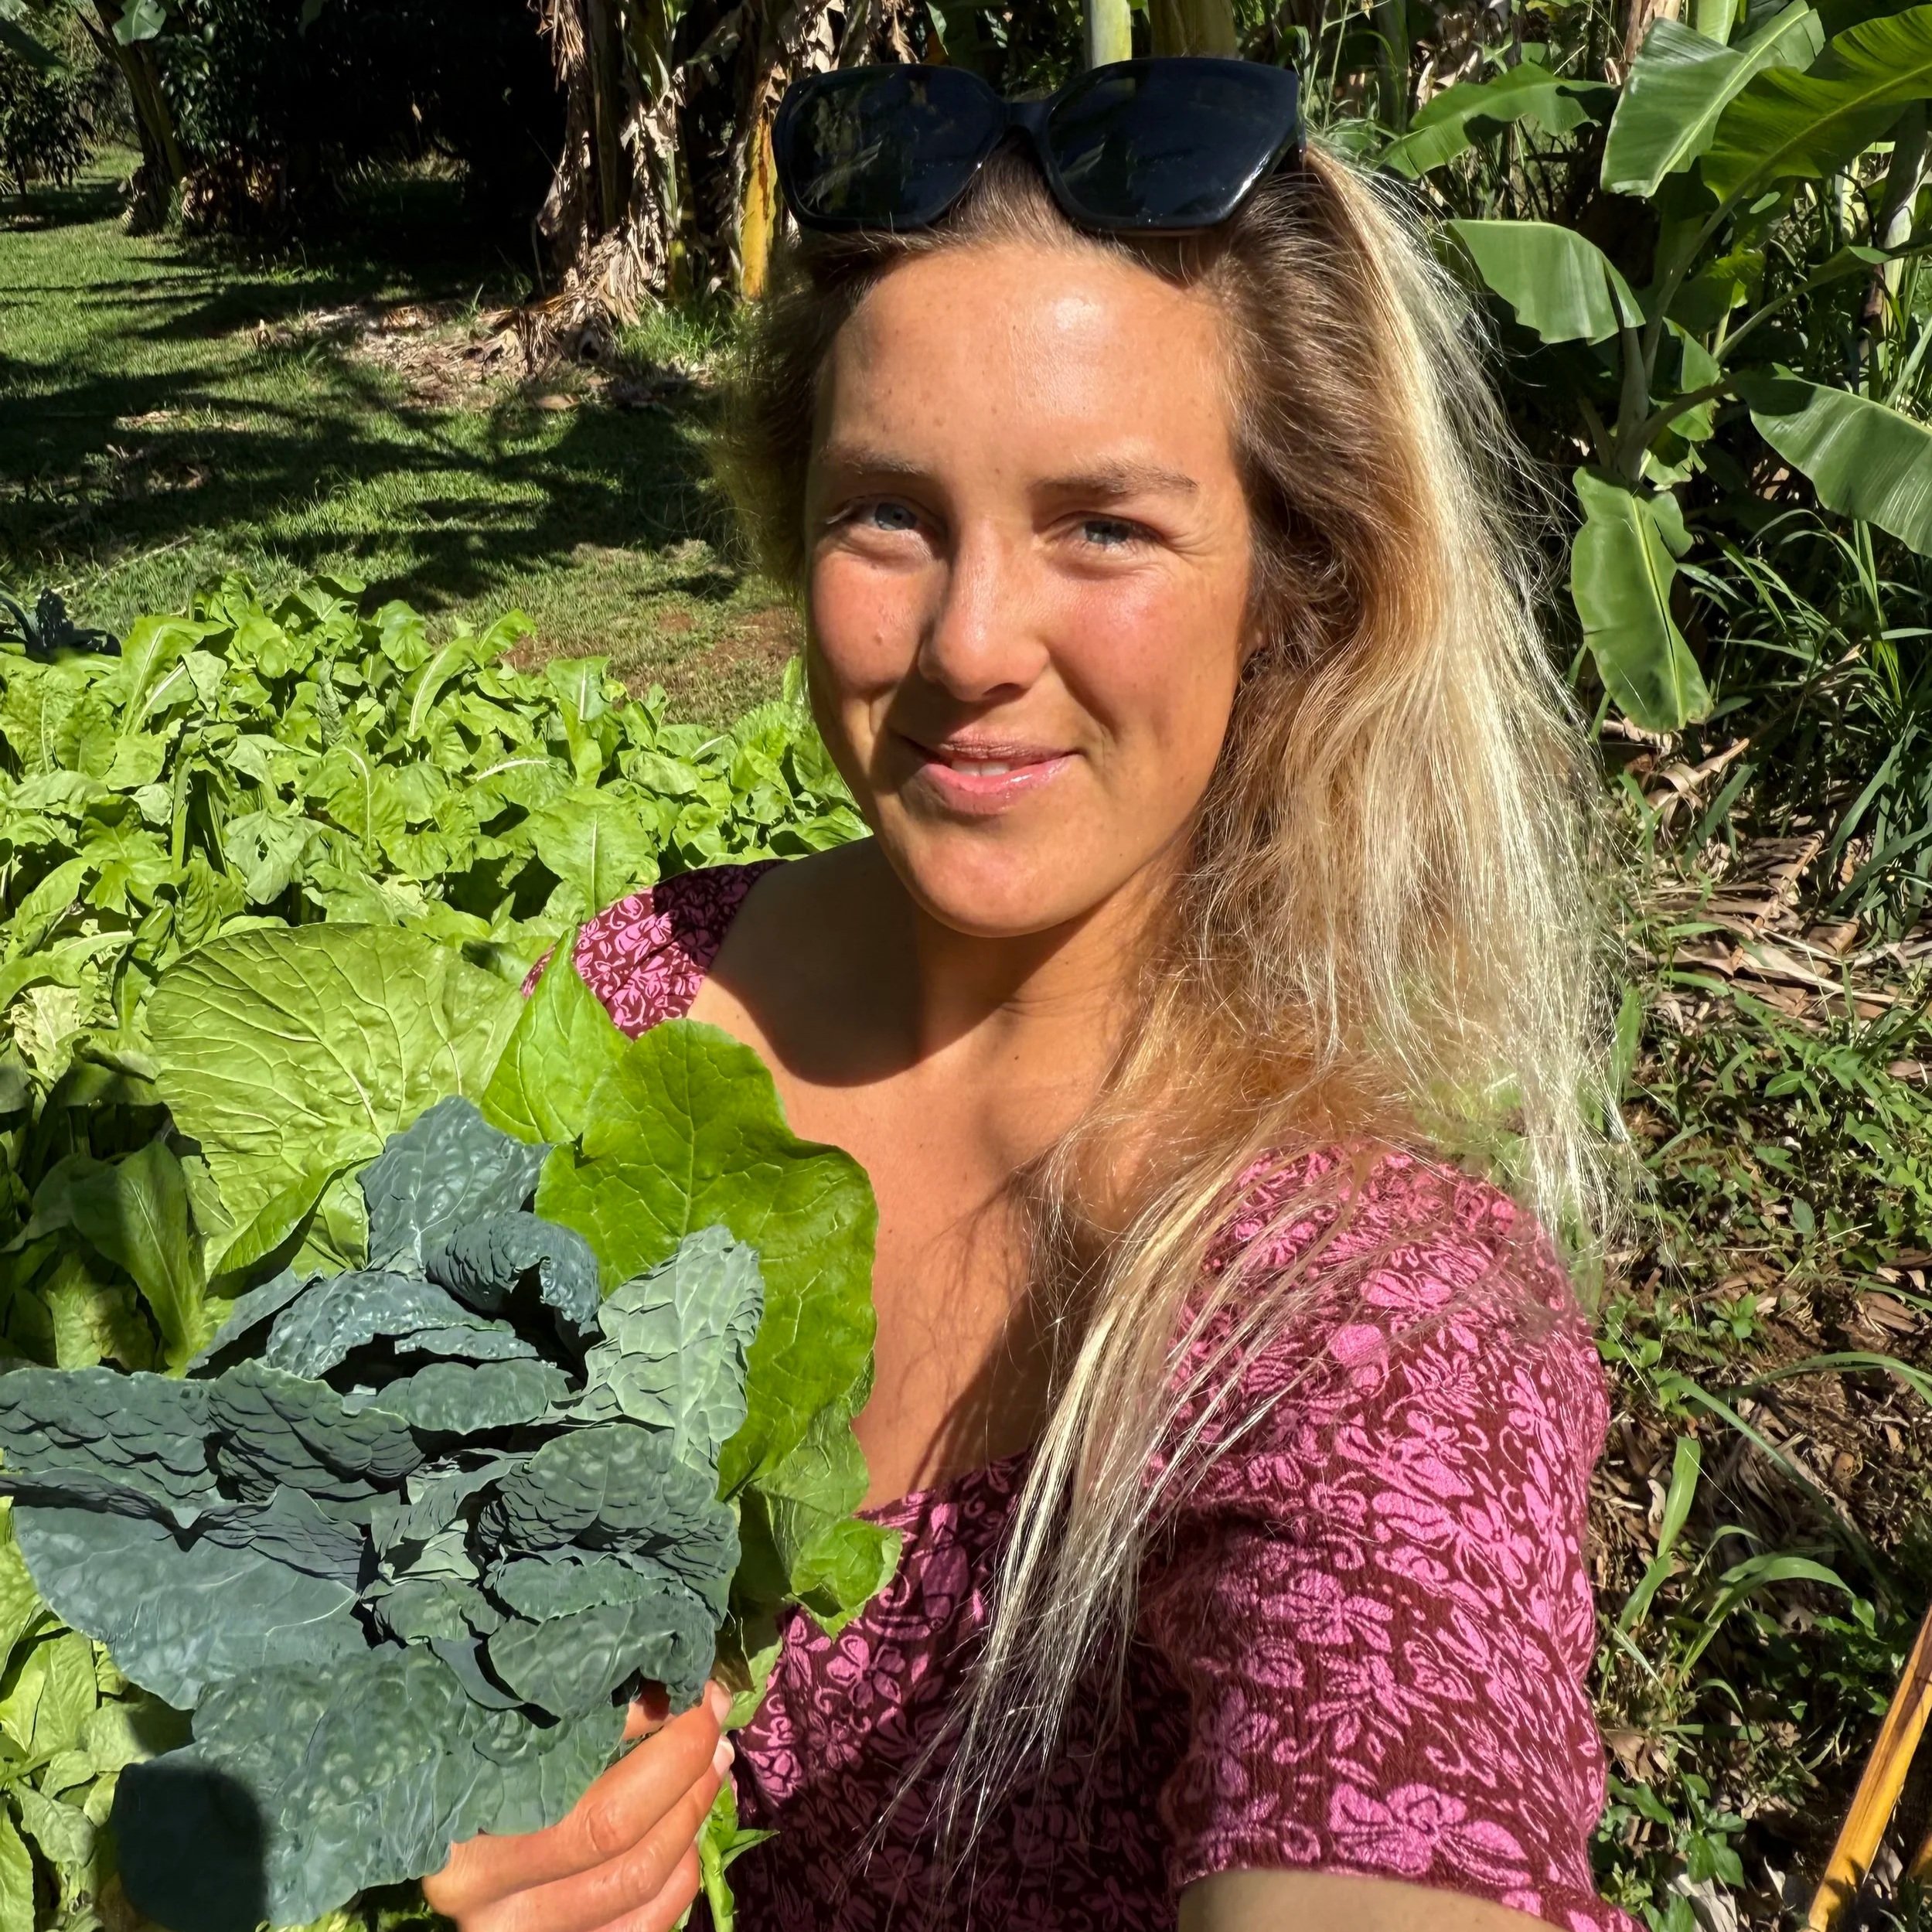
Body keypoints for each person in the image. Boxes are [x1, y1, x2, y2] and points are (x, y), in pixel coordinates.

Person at [424, 56, 1633, 1932]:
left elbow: (1382, 1752)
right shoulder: (633, 992)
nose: (969, 640)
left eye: (1104, 525)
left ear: (1291, 582)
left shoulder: (1358, 1309)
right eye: (887, 513)